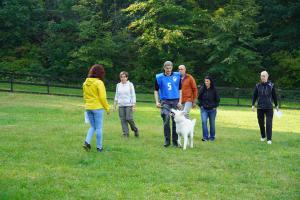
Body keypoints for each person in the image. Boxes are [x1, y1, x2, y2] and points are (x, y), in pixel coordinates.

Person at [82, 64, 110, 152]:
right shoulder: (99, 83)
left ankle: (87, 142)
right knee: (98, 128)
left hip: (88, 107)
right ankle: (99, 147)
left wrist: (87, 104)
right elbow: (102, 97)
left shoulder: (85, 83)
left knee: (93, 126)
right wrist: (107, 108)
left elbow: (84, 96)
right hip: (97, 108)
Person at [154, 61, 182, 147]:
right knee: (166, 119)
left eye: (170, 68)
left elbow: (180, 89)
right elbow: (155, 90)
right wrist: (157, 101)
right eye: (167, 68)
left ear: (172, 67)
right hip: (165, 101)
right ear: (164, 68)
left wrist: (180, 102)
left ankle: (175, 141)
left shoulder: (177, 76)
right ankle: (167, 141)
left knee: (175, 121)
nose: (168, 70)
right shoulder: (159, 77)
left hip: (175, 101)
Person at [252, 71, 279, 145]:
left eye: (264, 76)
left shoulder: (271, 85)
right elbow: (254, 96)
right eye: (261, 76)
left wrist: (276, 105)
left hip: (269, 108)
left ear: (267, 76)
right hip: (260, 108)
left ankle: (269, 139)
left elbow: (274, 96)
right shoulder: (257, 86)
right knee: (261, 123)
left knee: (269, 123)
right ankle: (263, 136)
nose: (262, 77)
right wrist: (253, 105)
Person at [113, 71, 139, 137]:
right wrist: (114, 105)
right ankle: (126, 134)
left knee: (129, 118)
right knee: (123, 120)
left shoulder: (130, 84)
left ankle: (135, 129)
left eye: (124, 77)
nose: (122, 78)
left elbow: (133, 95)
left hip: (129, 105)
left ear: (127, 77)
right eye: (121, 77)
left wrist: (134, 105)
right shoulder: (118, 85)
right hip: (121, 105)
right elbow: (116, 95)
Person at [198, 76, 220, 141]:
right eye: (205, 81)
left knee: (212, 123)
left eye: (207, 81)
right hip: (204, 109)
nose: (206, 82)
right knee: (204, 121)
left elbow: (218, 99)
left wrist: (215, 106)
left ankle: (212, 137)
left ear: (210, 82)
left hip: (212, 110)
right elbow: (199, 98)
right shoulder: (202, 89)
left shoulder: (214, 89)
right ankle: (205, 137)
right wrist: (201, 105)